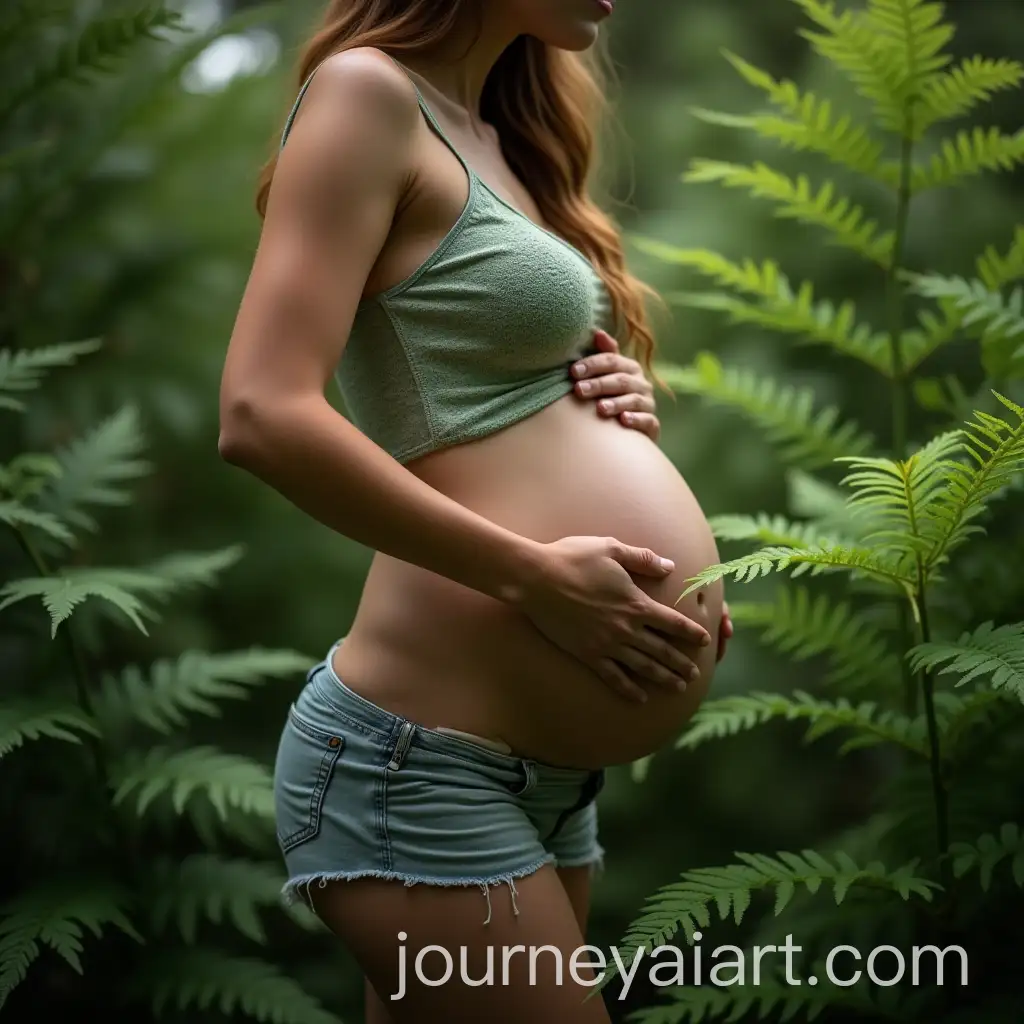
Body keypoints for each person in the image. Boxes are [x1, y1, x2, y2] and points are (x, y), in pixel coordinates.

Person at [219, 1, 732, 1020]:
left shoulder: (495, 132)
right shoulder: (366, 93)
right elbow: (260, 413)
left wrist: (608, 400)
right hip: (417, 767)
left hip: (542, 775)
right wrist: (533, 577)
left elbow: (475, 392)